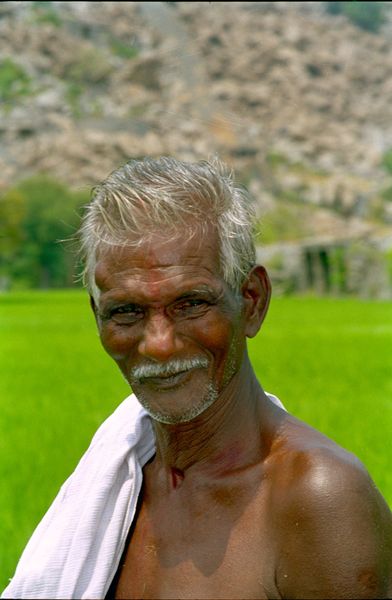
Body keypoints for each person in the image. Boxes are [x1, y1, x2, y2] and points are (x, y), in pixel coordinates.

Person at [2, 156, 391, 600]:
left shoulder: (316, 499)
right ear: (98, 317)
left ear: (252, 301)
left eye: (191, 304)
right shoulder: (115, 484)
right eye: (126, 312)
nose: (159, 345)